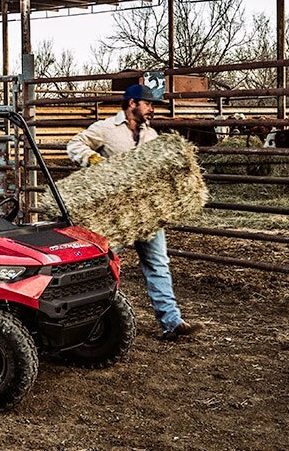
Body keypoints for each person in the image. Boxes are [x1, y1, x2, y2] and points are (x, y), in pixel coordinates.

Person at [66, 83, 204, 341]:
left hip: (148, 214)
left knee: (158, 264)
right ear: (132, 104)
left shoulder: (151, 136)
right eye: (148, 104)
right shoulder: (106, 129)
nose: (151, 110)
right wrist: (93, 160)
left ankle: (171, 322)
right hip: (116, 217)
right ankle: (95, 322)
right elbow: (74, 144)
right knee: (105, 267)